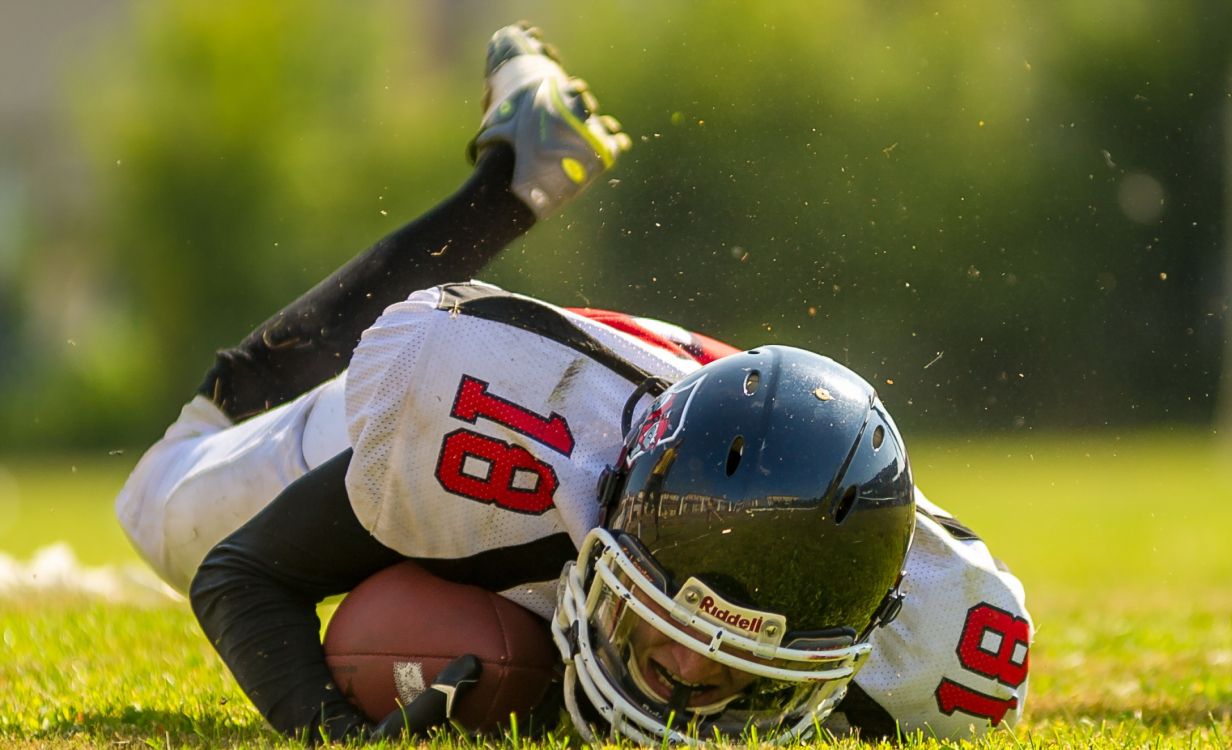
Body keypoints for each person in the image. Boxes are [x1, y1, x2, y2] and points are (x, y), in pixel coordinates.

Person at [115, 22, 1032, 745]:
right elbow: (241, 577)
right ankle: (515, 181)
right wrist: (338, 737)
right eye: (671, 623)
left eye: (729, 658)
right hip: (564, 394)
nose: (678, 671)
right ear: (625, 502)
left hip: (704, 391)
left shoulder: (944, 636)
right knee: (166, 499)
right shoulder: (503, 444)